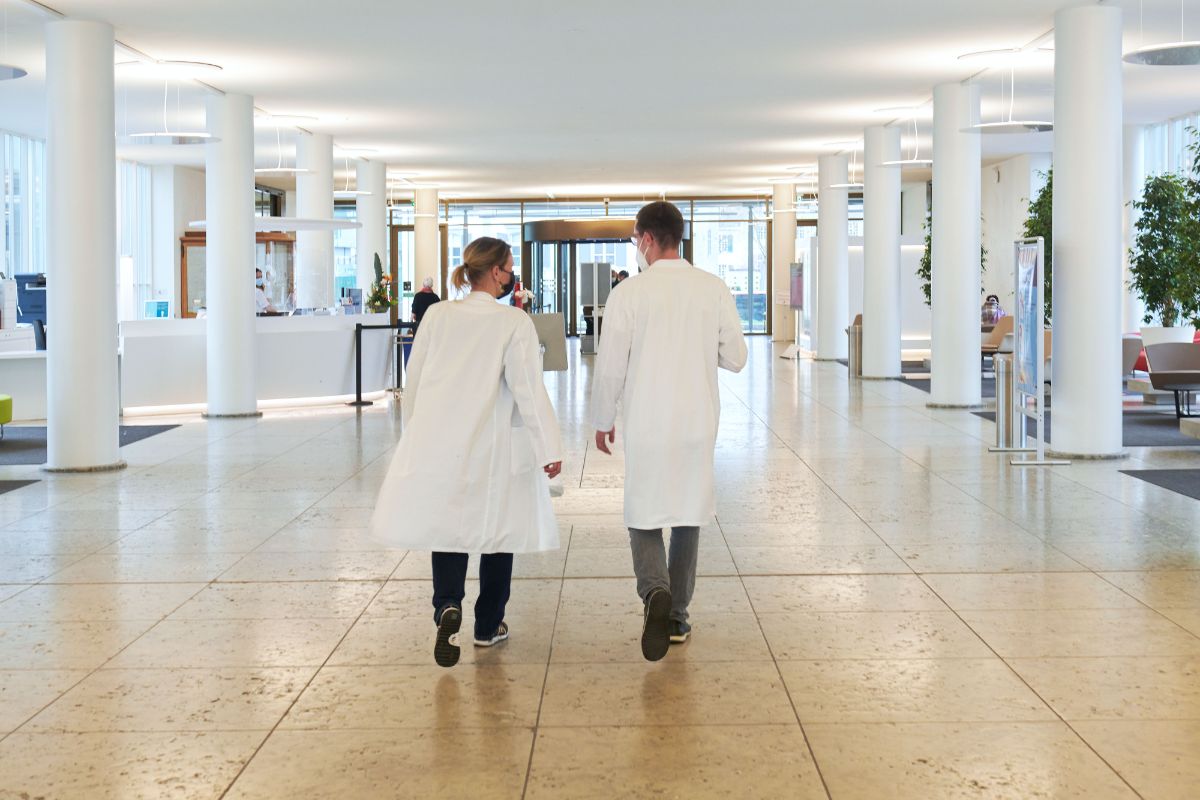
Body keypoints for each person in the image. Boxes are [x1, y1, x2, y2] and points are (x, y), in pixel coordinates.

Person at [369, 237, 563, 668]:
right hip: (492, 444)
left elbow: (414, 379)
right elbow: (529, 392)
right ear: (496, 272)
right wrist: (549, 446)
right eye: (510, 268)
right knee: (499, 531)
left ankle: (446, 606)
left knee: (449, 526)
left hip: (441, 442)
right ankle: (487, 625)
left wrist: (414, 434)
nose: (512, 276)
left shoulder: (437, 315)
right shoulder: (513, 324)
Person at [590, 201, 748, 662]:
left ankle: (654, 591)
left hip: (647, 421)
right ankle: (677, 615)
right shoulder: (712, 288)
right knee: (687, 512)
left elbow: (611, 368)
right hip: (698, 422)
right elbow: (736, 357)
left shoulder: (630, 295)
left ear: (646, 239)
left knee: (642, 511)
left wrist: (603, 421)